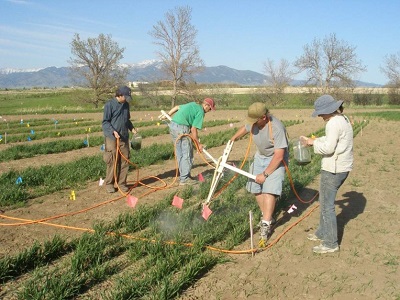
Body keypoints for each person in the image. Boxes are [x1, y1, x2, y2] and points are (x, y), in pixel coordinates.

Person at [301, 94, 353, 254]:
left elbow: (329, 148)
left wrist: (312, 143)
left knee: (327, 206)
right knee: (324, 202)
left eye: (321, 113)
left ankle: (331, 243)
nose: (320, 116)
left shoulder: (332, 123)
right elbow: (333, 140)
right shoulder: (342, 119)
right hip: (343, 167)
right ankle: (322, 232)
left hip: (334, 168)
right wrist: (316, 139)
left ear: (328, 110)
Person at [230, 102, 289, 243]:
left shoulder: (277, 128)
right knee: (256, 188)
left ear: (263, 117)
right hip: (260, 156)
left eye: (255, 120)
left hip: (275, 158)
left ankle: (266, 224)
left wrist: (266, 174)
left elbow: (279, 155)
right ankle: (267, 216)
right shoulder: (254, 122)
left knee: (269, 190)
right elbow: (245, 127)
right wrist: (233, 138)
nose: (252, 123)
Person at [164, 98, 215, 186]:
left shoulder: (193, 104)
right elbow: (193, 129)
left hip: (172, 126)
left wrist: (168, 114)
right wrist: (198, 145)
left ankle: (183, 176)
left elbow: (176, 107)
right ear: (206, 105)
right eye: (210, 108)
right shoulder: (201, 112)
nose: (209, 111)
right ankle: (184, 179)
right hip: (181, 129)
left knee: (180, 153)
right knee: (187, 154)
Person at [102, 85, 137, 193]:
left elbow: (127, 120)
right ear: (120, 95)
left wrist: (132, 129)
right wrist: (113, 131)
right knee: (113, 161)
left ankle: (122, 183)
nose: (127, 99)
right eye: (125, 97)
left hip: (124, 137)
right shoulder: (109, 105)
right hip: (112, 138)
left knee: (125, 161)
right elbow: (105, 122)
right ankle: (109, 184)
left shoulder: (126, 105)